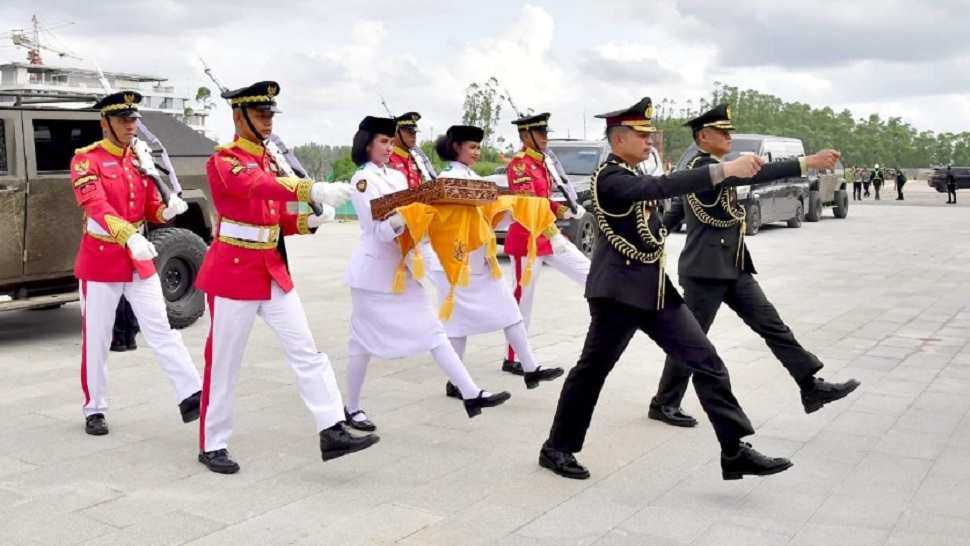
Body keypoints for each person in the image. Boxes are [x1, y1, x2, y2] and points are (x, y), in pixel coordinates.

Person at [539, 97, 792, 481]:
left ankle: (734, 449)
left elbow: (660, 203)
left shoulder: (630, 171)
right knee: (592, 371)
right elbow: (663, 185)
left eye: (650, 137)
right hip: (617, 294)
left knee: (706, 360)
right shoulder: (611, 179)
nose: (650, 143)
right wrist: (722, 171)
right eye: (642, 137)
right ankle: (557, 447)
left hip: (655, 290)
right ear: (619, 138)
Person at [195, 81, 377, 474]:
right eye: (260, 115)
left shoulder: (267, 159)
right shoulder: (225, 160)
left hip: (270, 269)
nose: (267, 122)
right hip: (233, 272)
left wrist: (308, 219)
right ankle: (213, 443)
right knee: (224, 363)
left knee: (307, 351)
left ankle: (331, 428)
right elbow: (254, 187)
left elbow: (273, 219)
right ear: (238, 116)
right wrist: (311, 187)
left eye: (270, 115)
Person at [648, 104, 860, 428]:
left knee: (773, 326)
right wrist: (809, 162)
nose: (730, 136)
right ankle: (664, 403)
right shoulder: (704, 167)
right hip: (705, 272)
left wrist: (658, 231)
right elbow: (758, 173)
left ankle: (810, 386)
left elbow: (677, 209)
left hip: (732, 266)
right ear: (704, 136)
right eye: (723, 132)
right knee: (691, 340)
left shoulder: (711, 167)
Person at [343, 116, 512, 430]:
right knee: (361, 343)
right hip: (373, 274)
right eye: (383, 141)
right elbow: (378, 230)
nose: (389, 147)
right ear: (366, 143)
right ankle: (351, 408)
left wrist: (432, 211)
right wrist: (410, 215)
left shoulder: (395, 176)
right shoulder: (361, 180)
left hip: (403, 267)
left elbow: (415, 212)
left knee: (434, 331)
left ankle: (471, 393)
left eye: (391, 142)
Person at [69, 91, 202, 436]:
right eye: (124, 120)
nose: (132, 126)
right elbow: (95, 205)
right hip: (102, 260)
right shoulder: (87, 160)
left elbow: (147, 209)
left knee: (161, 327)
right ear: (106, 123)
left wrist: (166, 211)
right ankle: (94, 408)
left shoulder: (138, 161)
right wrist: (128, 235)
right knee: (97, 338)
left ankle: (192, 394)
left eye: (134, 120)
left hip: (137, 258)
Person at [429, 124, 565, 396]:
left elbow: (488, 211)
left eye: (478, 147)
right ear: (456, 147)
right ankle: (457, 383)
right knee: (457, 325)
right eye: (472, 147)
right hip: (457, 262)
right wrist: (511, 203)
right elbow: (472, 207)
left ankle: (530, 368)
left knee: (510, 311)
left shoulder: (468, 174)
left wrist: (520, 208)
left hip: (480, 259)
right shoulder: (447, 179)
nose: (477, 152)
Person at [501, 112, 590, 375]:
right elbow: (530, 205)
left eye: (545, 133)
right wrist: (556, 219)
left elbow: (545, 200)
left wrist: (566, 211)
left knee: (588, 272)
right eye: (540, 134)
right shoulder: (519, 165)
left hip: (548, 236)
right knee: (523, 299)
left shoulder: (544, 162)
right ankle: (512, 357)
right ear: (526, 136)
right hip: (528, 239)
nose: (545, 138)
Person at [387, 112, 430, 190]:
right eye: (410, 132)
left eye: (415, 132)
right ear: (396, 133)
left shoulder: (417, 159)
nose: (414, 136)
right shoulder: (387, 159)